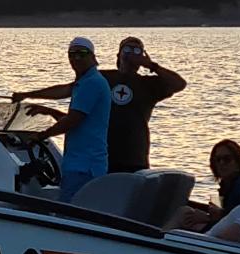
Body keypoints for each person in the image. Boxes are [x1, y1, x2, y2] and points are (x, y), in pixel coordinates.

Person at [13, 36, 185, 173]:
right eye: (127, 49)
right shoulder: (101, 78)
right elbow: (69, 93)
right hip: (102, 156)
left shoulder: (150, 85)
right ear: (118, 55)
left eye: (136, 49)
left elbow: (179, 84)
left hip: (134, 156)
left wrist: (151, 65)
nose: (131, 53)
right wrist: (30, 95)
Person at [24, 37, 112, 202]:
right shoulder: (84, 82)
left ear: (93, 57)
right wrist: (45, 108)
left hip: (84, 167)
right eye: (72, 54)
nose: (76, 58)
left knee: (72, 213)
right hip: (83, 164)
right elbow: (65, 95)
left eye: (82, 53)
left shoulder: (91, 83)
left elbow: (73, 121)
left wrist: (41, 135)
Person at [178, 139, 240, 231]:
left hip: (226, 236)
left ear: (238, 162)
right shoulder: (227, 184)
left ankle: (161, 238)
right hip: (222, 230)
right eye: (217, 160)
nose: (221, 163)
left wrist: (207, 217)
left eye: (227, 159)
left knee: (183, 214)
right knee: (185, 212)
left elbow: (235, 220)